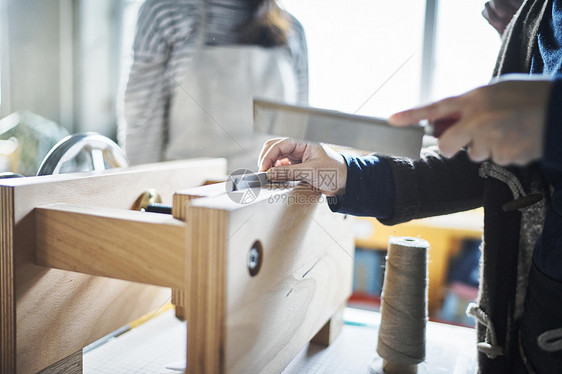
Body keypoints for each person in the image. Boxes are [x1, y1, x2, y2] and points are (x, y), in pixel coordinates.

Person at [258, 0, 562, 372]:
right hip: (530, 321)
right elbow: (482, 167)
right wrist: (345, 172)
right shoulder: (537, 17)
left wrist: (551, 114)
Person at [118, 0, 308, 172]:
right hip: (185, 200)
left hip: (270, 198)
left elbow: (299, 132)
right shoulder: (165, 12)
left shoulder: (291, 28)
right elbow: (142, 128)